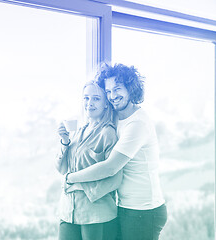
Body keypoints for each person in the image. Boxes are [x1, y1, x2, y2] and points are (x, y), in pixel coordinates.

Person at [65, 63, 167, 240]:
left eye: (118, 89)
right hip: (126, 206)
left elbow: (110, 167)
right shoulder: (117, 118)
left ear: (131, 89)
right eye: (108, 91)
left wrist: (71, 178)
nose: (112, 96)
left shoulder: (137, 123)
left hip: (143, 210)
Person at [56, 81, 123, 240]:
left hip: (96, 214)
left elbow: (115, 178)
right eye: (86, 98)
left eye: (96, 99)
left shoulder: (108, 133)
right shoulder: (79, 131)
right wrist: (65, 141)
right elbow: (62, 169)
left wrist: (76, 184)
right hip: (68, 211)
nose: (89, 103)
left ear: (106, 103)